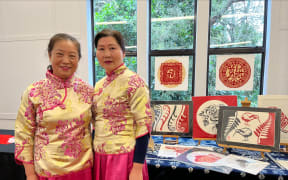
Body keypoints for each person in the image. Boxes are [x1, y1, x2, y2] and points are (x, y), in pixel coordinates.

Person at [14, 33, 94, 180]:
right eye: (59, 54)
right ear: (50, 55)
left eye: (72, 56)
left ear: (79, 59)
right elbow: (23, 134)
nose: (66, 61)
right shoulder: (33, 92)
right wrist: (30, 174)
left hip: (83, 170)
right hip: (46, 172)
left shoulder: (88, 91)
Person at [92, 29, 152, 180]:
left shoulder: (134, 82)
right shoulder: (98, 86)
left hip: (124, 158)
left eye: (112, 48)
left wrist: (137, 168)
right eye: (101, 49)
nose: (106, 54)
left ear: (123, 52)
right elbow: (96, 124)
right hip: (100, 157)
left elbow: (144, 126)